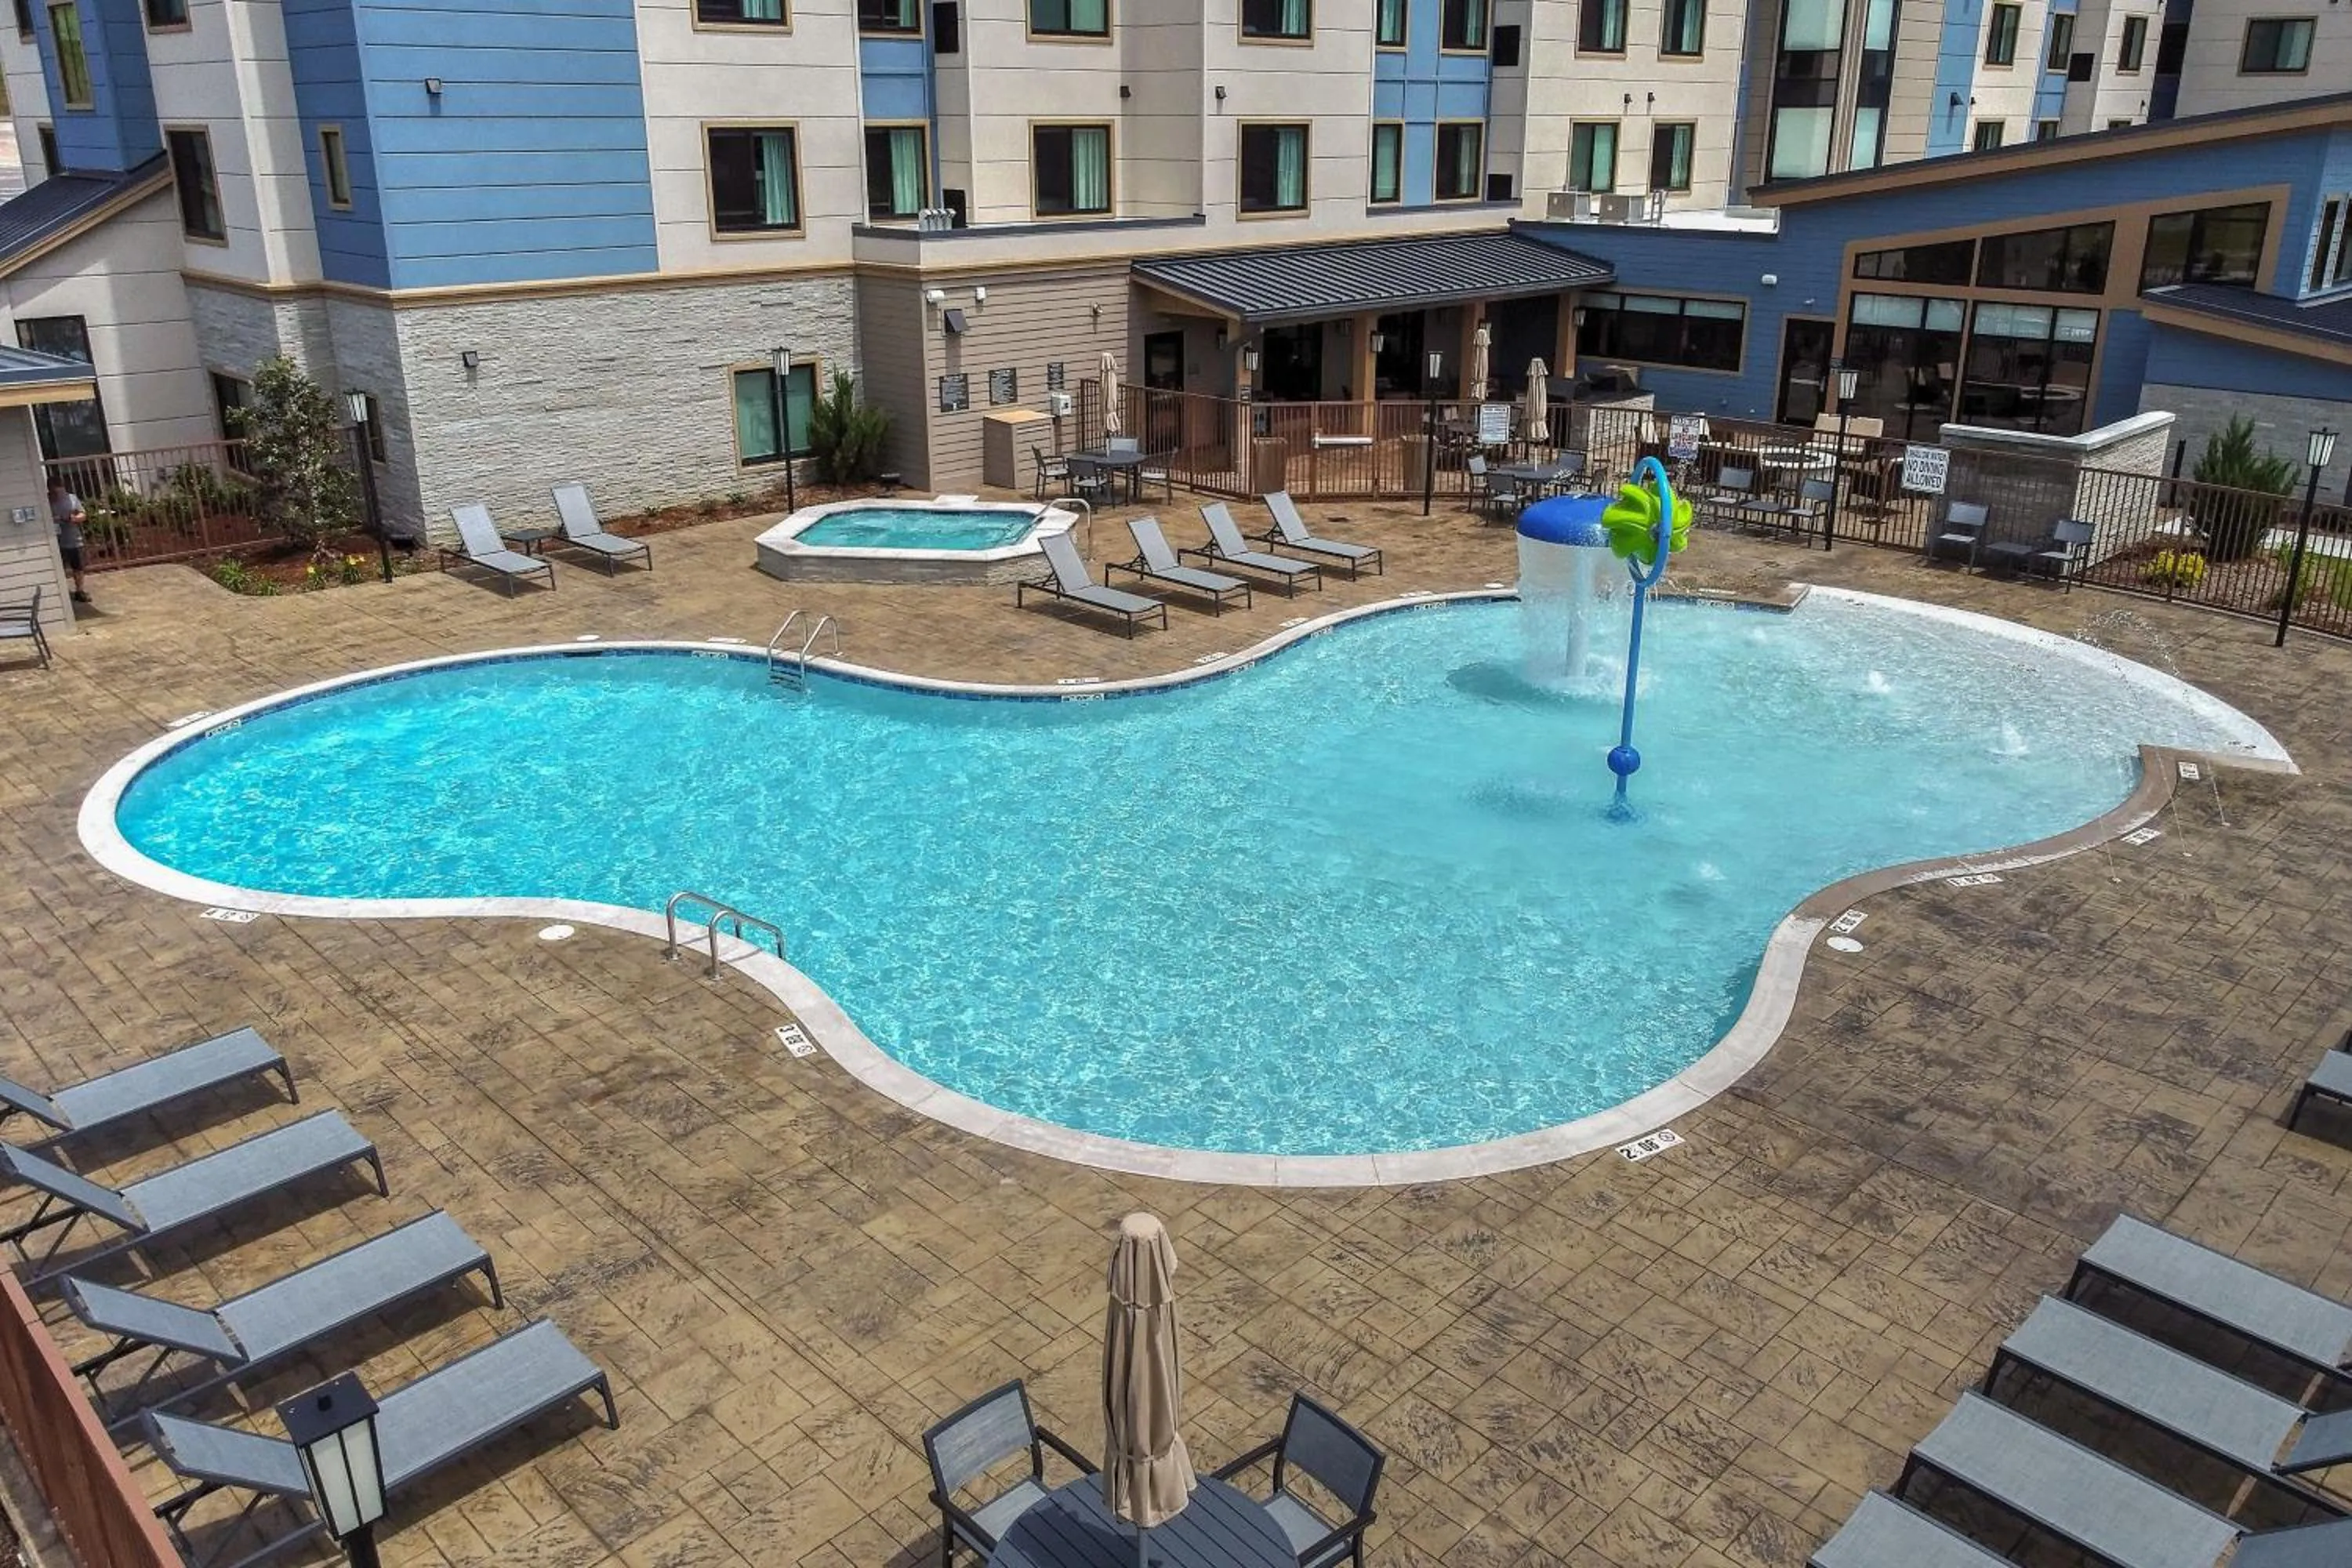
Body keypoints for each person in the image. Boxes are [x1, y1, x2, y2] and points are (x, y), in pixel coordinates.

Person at [49, 479, 88, 604]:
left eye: (60, 490)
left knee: (78, 567)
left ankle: (80, 591)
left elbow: (83, 515)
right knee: (59, 567)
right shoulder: (47, 501)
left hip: (73, 538)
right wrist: (58, 518)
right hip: (56, 540)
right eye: (55, 490)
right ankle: (61, 592)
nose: (59, 494)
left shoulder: (72, 498)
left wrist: (75, 519)